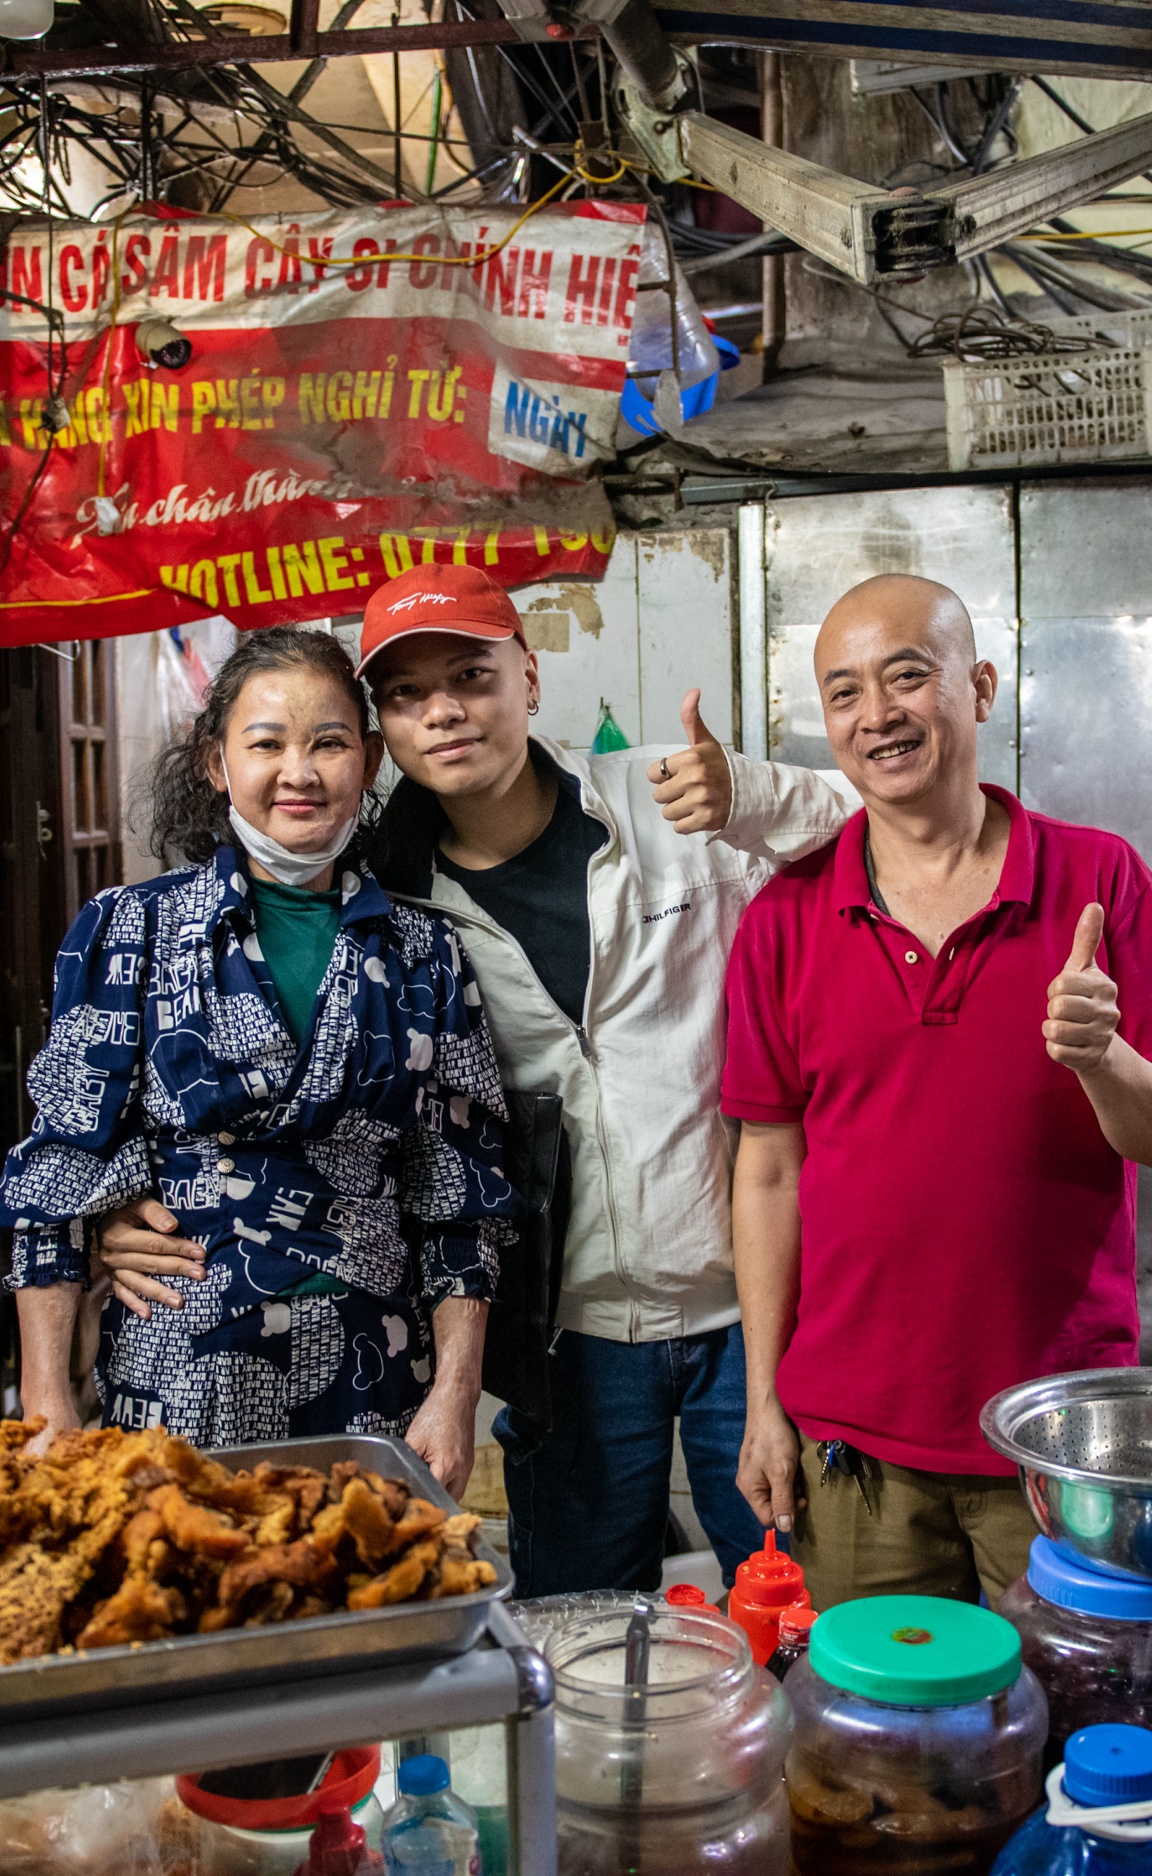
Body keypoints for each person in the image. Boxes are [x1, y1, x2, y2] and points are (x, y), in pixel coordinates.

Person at [98, 563, 855, 1596]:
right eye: (407, 694)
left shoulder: (673, 800)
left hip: (756, 1303)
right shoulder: (390, 901)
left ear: (528, 679)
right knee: (581, 1636)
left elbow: (888, 822)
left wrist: (755, 796)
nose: (445, 710)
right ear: (384, 737)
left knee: (807, 1610)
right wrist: (118, 1204)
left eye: (472, 674)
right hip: (568, 1329)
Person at [0, 625, 514, 1492]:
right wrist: (48, 1396)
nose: (299, 773)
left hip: (373, 1379)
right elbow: (58, 1173)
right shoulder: (133, 930)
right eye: (267, 742)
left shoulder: (425, 950)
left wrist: (456, 1395)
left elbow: (460, 1196)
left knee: (365, 1612)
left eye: (329, 743)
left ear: (370, 762)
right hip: (179, 1376)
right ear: (216, 762)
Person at [723, 571, 1152, 1610]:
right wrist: (763, 1401)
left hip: (1058, 1431)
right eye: (844, 692)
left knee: (1080, 1724)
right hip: (857, 1447)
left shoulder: (1104, 879)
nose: (877, 714)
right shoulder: (784, 916)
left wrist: (1102, 1055)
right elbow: (769, 1173)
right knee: (883, 1751)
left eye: (908, 675)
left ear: (982, 686)